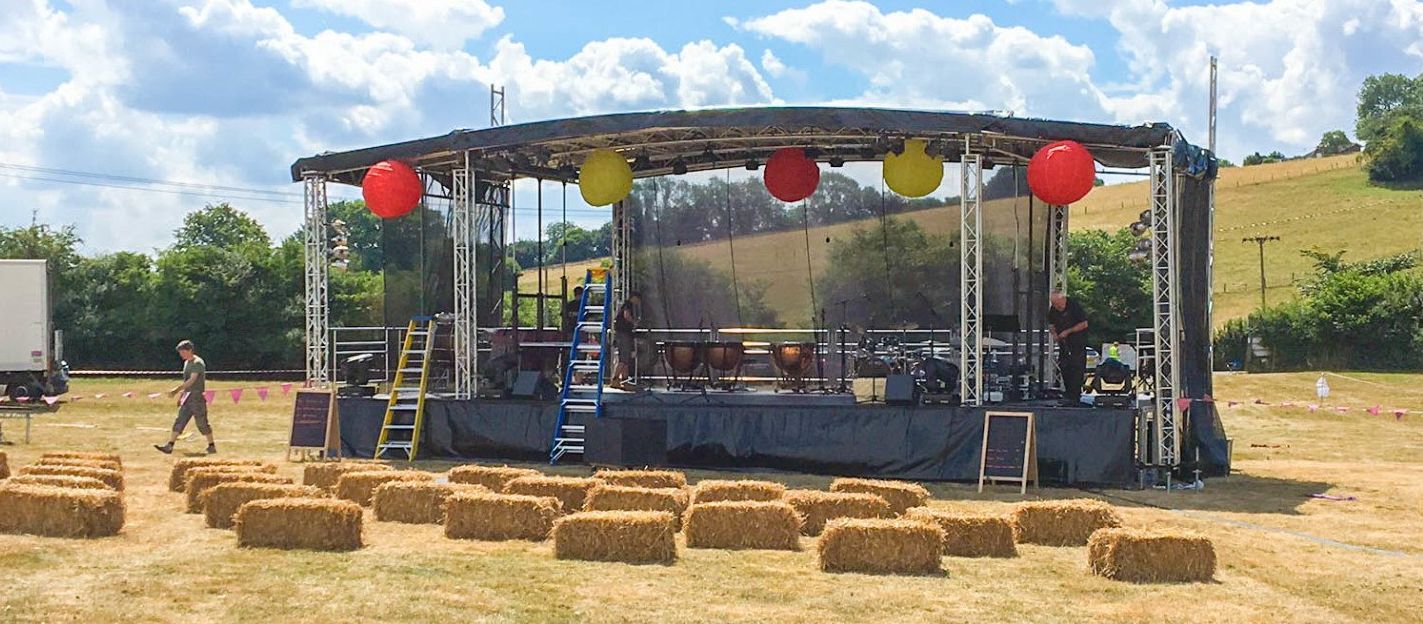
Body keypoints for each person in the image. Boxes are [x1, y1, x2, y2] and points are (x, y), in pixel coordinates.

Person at [155, 340, 216, 454]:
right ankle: (170, 445)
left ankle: (211, 445)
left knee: (201, 423)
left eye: (182, 352)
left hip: (197, 398)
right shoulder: (187, 363)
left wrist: (176, 390)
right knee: (180, 420)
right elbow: (186, 382)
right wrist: (181, 396)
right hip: (187, 397)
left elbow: (192, 380)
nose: (180, 355)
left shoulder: (197, 363)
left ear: (189, 350)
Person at [1048, 291, 1089, 406]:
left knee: (1076, 368)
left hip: (1077, 343)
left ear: (1063, 299)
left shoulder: (1074, 306)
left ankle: (1075, 395)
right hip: (1064, 344)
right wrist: (1055, 334)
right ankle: (1068, 393)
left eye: (1058, 304)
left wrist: (1068, 331)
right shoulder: (1053, 310)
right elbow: (1051, 324)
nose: (1057, 307)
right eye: (1054, 304)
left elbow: (1084, 324)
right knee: (1064, 366)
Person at [610, 291, 642, 389]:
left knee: (626, 359)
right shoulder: (628, 304)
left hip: (625, 334)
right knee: (623, 359)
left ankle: (625, 379)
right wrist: (634, 322)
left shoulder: (627, 305)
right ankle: (615, 379)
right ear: (635, 298)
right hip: (623, 335)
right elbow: (626, 315)